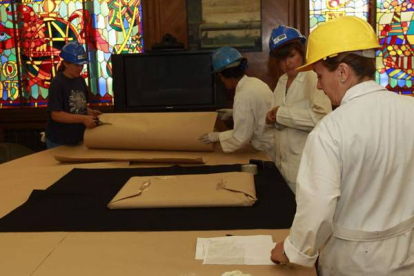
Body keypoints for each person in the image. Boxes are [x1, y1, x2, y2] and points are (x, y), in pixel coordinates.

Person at [270, 16, 414, 275]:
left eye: (320, 75)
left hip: (353, 263)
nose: (319, 85)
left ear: (343, 72)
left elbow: (318, 206)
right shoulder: (410, 109)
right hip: (406, 257)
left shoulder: (331, 130)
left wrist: (293, 249)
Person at [266, 25, 332, 193]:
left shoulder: (312, 76)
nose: (287, 63)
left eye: (291, 56)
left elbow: (322, 117)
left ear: (301, 52)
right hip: (283, 164)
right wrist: (273, 119)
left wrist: (281, 114)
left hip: (305, 166)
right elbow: (280, 115)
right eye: (281, 59)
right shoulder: (282, 81)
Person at [199, 46, 274, 154]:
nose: (222, 81)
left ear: (224, 75)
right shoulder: (255, 83)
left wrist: (217, 136)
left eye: (220, 77)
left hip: (266, 150)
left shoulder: (243, 95)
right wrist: (234, 112)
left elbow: (241, 136)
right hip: (272, 143)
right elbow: (258, 112)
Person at [45, 41, 101, 149]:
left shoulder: (80, 80)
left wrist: (90, 112)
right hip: (60, 140)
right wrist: (83, 119)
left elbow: (76, 106)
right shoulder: (57, 83)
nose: (80, 69)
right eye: (76, 65)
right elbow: (56, 114)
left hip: (78, 138)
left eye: (82, 65)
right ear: (65, 63)